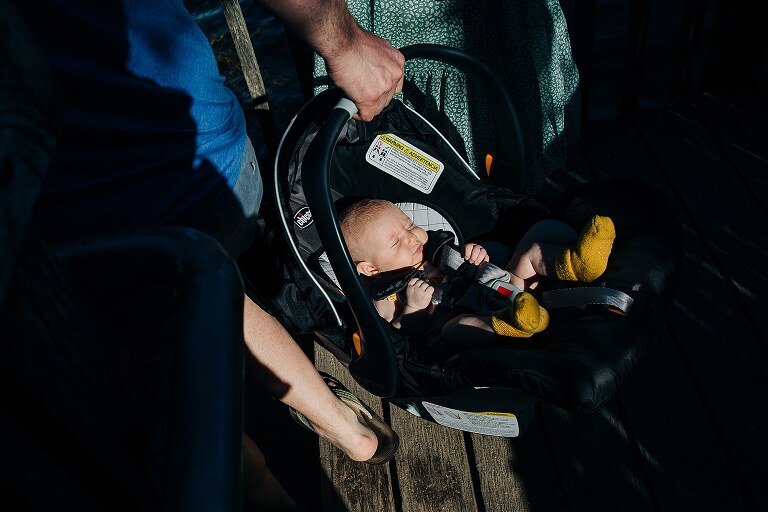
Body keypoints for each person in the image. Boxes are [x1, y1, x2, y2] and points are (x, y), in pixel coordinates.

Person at [11, 0, 404, 509]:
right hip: (214, 165)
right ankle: (346, 425)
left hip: (103, 236)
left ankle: (263, 485)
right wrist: (344, 44)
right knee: (213, 287)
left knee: (175, 419)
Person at [339, 198, 615, 339]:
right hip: (472, 316)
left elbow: (483, 262)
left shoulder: (434, 249)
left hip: (506, 287)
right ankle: (514, 326)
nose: (412, 237)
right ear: (371, 269)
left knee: (534, 246)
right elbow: (396, 338)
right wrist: (413, 309)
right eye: (395, 242)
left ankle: (578, 264)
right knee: (456, 330)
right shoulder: (387, 296)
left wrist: (475, 252)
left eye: (409, 225)